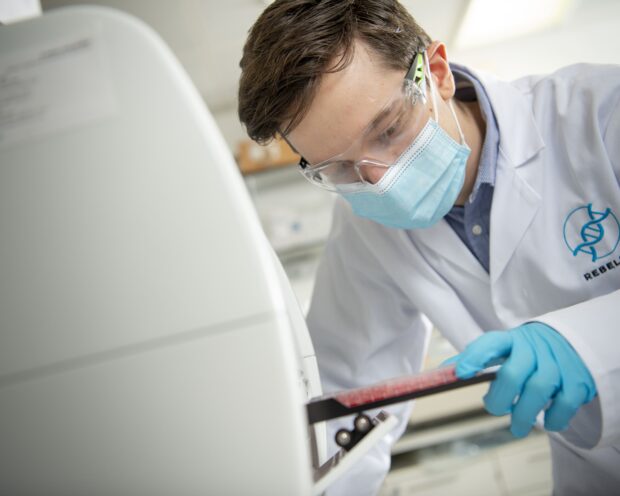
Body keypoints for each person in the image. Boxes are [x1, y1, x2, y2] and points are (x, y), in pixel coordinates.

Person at [238, 1, 620, 494]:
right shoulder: (363, 227)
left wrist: (587, 339)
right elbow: (351, 394)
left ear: (436, 72)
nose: (379, 181)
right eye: (337, 168)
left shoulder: (599, 113)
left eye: (389, 129)